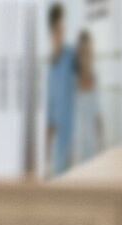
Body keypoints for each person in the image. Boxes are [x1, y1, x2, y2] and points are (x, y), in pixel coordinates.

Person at [44, 3, 76, 178]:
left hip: (72, 135)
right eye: (57, 28)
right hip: (57, 139)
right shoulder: (49, 67)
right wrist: (46, 159)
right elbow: (49, 111)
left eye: (63, 27)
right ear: (51, 32)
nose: (61, 31)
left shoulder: (71, 55)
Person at [72, 28, 103, 165]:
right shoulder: (71, 82)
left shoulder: (96, 80)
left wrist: (102, 147)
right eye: (84, 53)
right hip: (76, 152)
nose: (87, 58)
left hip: (94, 149)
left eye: (90, 53)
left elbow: (98, 116)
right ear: (78, 55)